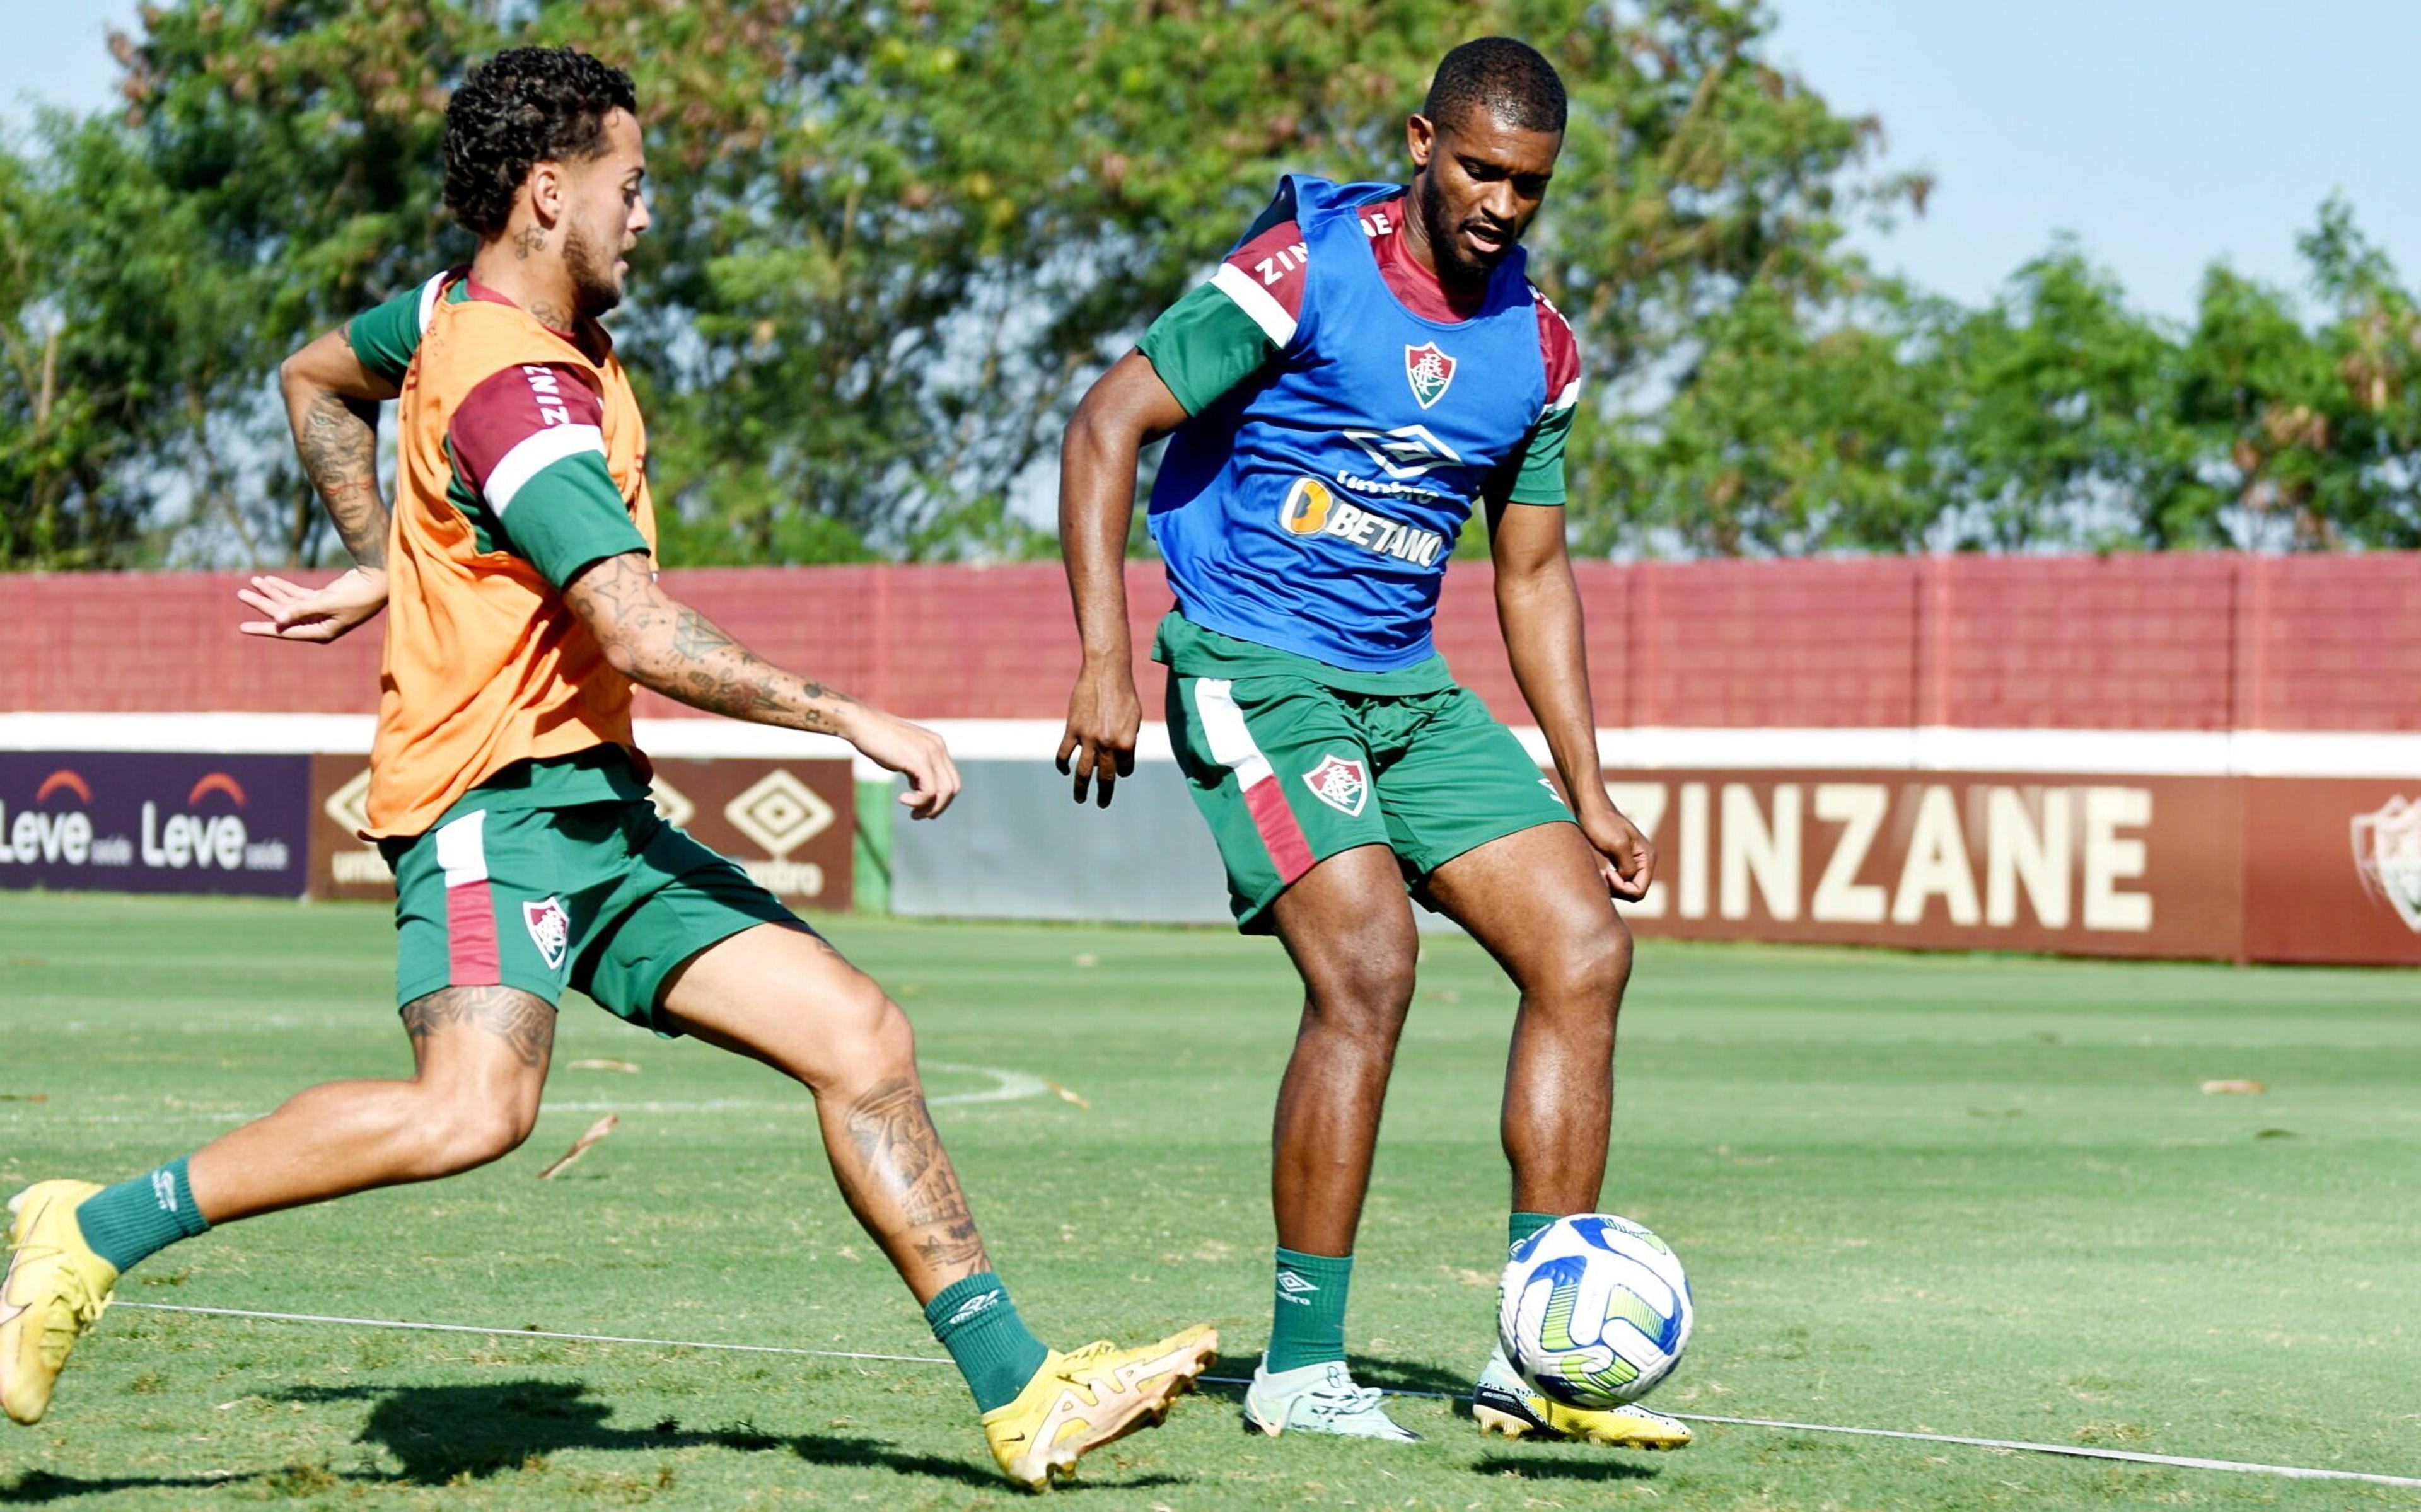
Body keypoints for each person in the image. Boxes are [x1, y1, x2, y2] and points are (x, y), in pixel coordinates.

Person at [1, 47, 1212, 1490]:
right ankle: (86, 1231)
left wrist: (387, 555)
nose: (648, 215)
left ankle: (1024, 1398)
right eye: (632, 188)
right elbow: (636, 629)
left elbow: (318, 379)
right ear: (547, 192)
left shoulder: (455, 309)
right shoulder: (514, 384)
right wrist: (854, 719)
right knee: (474, 1110)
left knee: (861, 1039)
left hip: (600, 812)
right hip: (488, 807)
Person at [1054, 37, 1682, 1449]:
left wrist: (1589, 791)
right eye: (1479, 168)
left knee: (1584, 951)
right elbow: (1107, 429)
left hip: (1407, 689)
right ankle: (1303, 1366)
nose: (1503, 204)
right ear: (1420, 140)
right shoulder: (1298, 273)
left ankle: (1542, 1361)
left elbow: (1530, 577)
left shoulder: (1543, 349)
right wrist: (1101, 656)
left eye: (1530, 184)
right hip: (1253, 669)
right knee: (1369, 967)